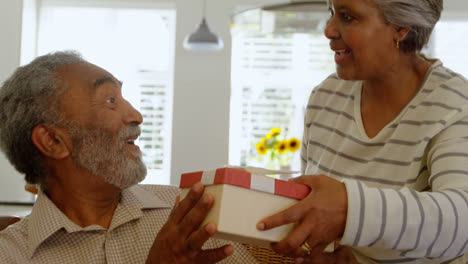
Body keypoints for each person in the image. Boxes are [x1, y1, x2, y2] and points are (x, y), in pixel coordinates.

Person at [256, 0, 468, 263]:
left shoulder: (454, 102)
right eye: (331, 12)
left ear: (402, 27)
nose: (329, 30)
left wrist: (350, 210)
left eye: (347, 17)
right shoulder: (325, 97)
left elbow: (462, 220)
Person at [0, 51, 259, 263]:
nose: (136, 115)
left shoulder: (192, 210)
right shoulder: (10, 255)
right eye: (110, 100)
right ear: (53, 141)